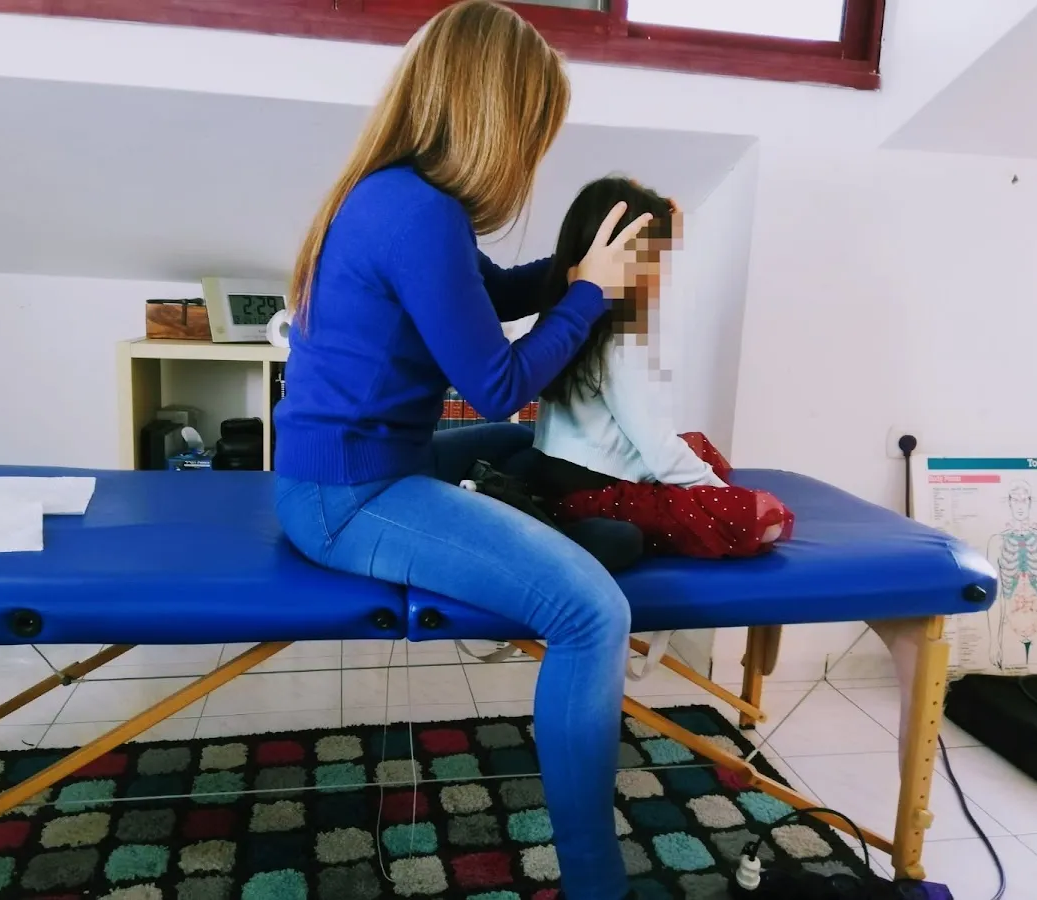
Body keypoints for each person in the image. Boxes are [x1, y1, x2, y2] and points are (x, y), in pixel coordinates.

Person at [272, 3, 652, 897]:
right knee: (592, 614)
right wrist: (589, 295)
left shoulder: (399, 194)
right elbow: (497, 381)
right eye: (535, 128)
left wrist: (578, 266)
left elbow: (496, 292)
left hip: (367, 465)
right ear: (496, 115)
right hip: (347, 498)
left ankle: (525, 525)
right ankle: (596, 881)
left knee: (530, 449)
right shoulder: (416, 213)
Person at [524, 176, 793, 558]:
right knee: (758, 519)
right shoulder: (618, 343)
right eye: (655, 259)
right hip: (594, 493)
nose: (661, 273)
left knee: (700, 449)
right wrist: (723, 493)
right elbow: (661, 453)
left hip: (555, 477)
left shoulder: (564, 320)